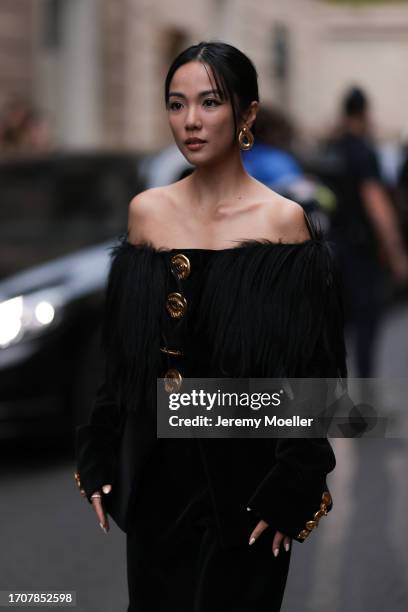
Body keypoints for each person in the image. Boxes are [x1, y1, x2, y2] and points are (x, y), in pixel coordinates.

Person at [74, 41, 347, 611]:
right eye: (176, 104)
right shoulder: (147, 212)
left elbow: (314, 373)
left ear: (246, 114)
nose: (191, 121)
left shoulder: (282, 221)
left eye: (210, 102)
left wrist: (294, 482)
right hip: (156, 483)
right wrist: (99, 452)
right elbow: (123, 356)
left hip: (248, 485)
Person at [326, 86, 408, 377]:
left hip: (331, 250)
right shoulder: (363, 152)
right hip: (361, 252)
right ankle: (363, 405)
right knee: (365, 331)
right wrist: (397, 253)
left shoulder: (330, 149)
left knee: (335, 332)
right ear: (364, 112)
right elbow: (376, 204)